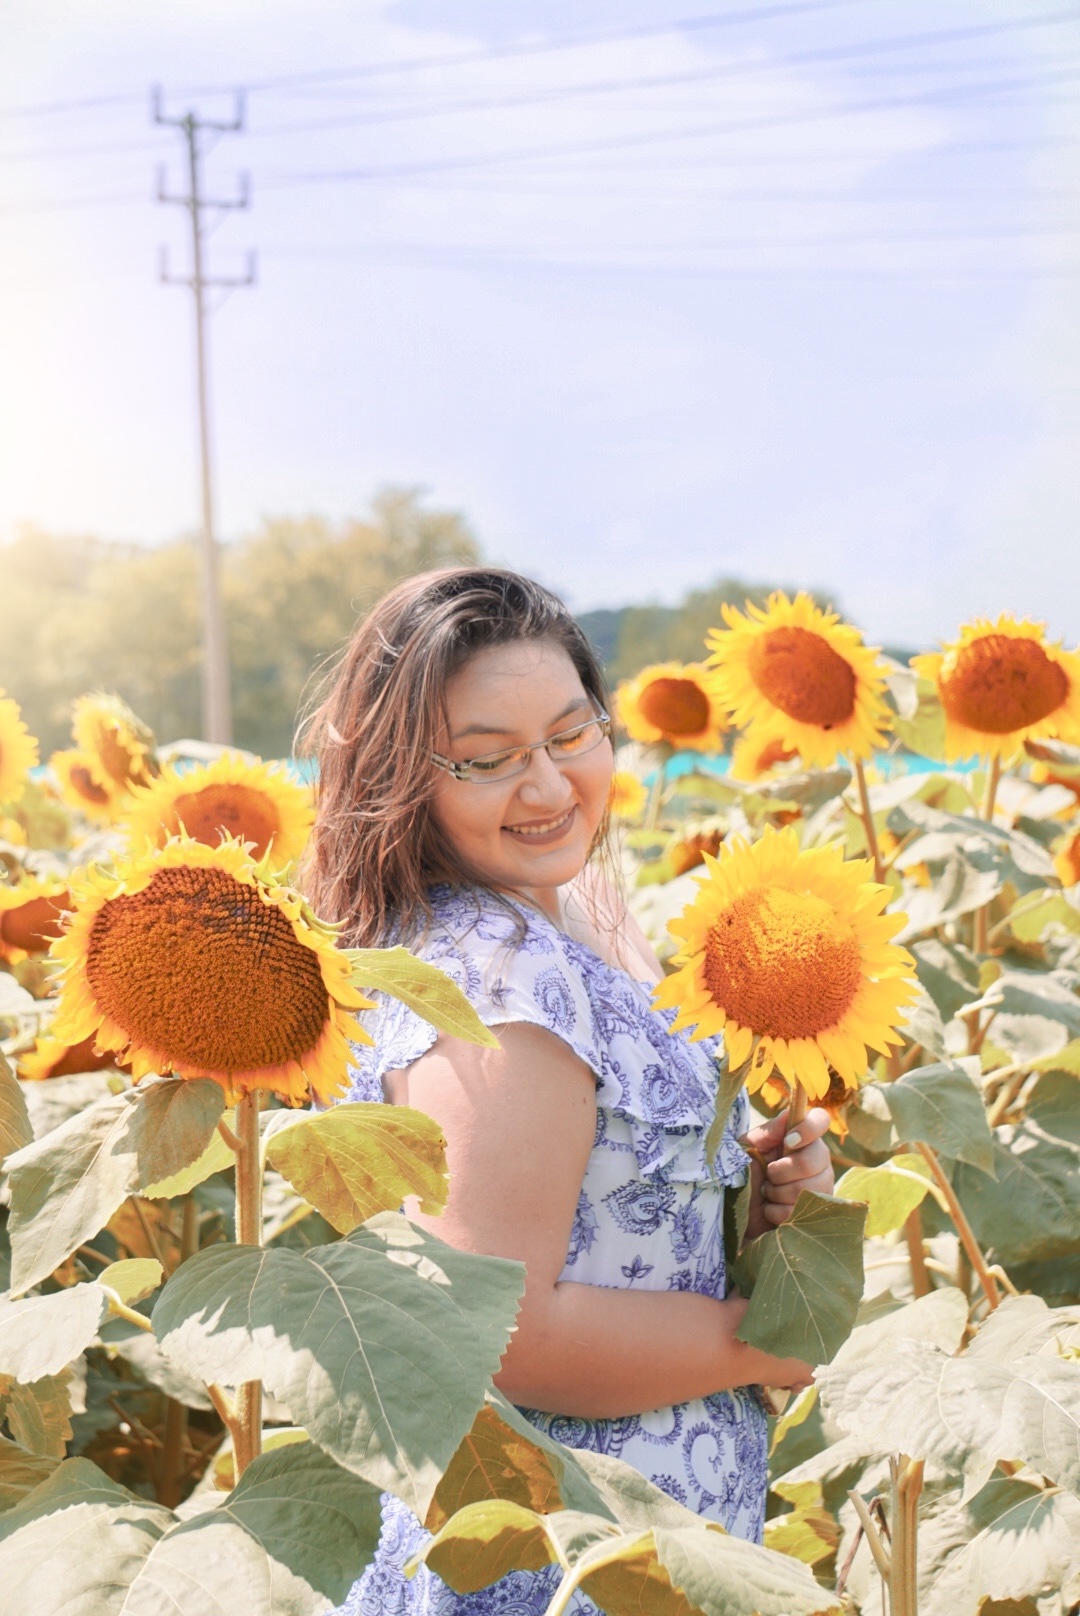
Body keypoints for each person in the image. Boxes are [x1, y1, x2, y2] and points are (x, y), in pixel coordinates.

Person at [302, 568, 835, 1616]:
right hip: (569, 1558)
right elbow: (508, 1326)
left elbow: (608, 1215)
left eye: (570, 734)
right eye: (488, 759)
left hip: (637, 1533)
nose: (546, 786)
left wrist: (766, 1190)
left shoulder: (564, 917)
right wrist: (761, 1340)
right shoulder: (504, 979)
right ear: (404, 778)